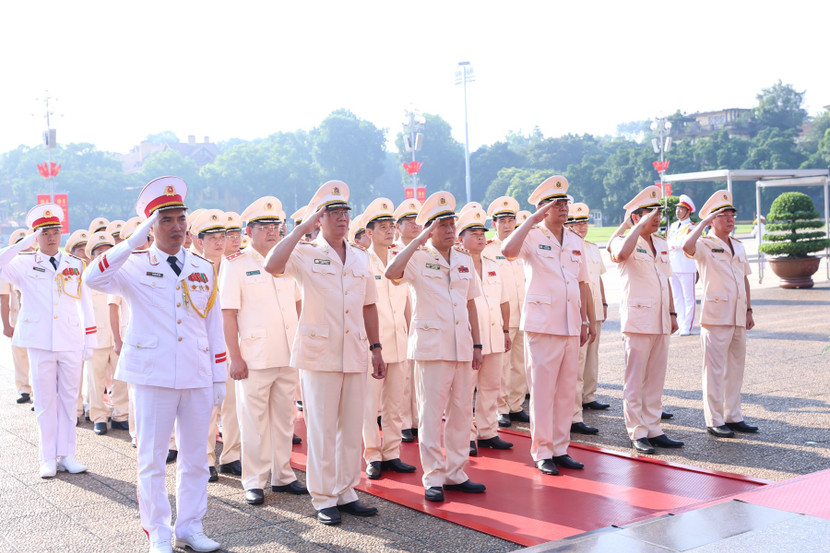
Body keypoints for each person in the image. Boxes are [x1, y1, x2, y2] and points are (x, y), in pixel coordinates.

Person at [84, 176, 227, 553]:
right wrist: (130, 243)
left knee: (196, 457)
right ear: (152, 225)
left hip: (196, 373)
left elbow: (213, 326)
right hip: (153, 374)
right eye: (167, 220)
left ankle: (190, 527)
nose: (177, 227)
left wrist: (218, 376)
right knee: (152, 459)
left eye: (181, 219)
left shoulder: (203, 266)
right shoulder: (131, 265)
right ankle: (158, 531)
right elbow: (92, 278)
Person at [264, 180, 385, 526]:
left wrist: (376, 348)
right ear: (320, 218)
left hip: (355, 351)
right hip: (320, 353)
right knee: (321, 427)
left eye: (345, 211)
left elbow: (370, 305)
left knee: (351, 426)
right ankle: (323, 496)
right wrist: (302, 227)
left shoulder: (361, 256)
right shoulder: (304, 252)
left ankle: (347, 491)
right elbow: (273, 265)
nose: (342, 218)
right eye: (332, 212)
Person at [385, 191, 486, 503]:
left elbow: (471, 303)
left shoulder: (463, 258)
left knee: (460, 413)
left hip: (461, 346)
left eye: (451, 223)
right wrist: (417, 241)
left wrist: (478, 344)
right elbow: (392, 273)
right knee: (431, 415)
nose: (449, 229)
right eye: (441, 224)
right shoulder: (416, 258)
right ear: (429, 229)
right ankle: (433, 476)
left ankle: (456, 472)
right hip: (432, 347)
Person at [501, 176, 593, 476]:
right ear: (542, 209)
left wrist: (584, 320)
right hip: (542, 324)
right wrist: (530, 222)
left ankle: (560, 447)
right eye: (556, 204)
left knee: (567, 390)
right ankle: (542, 450)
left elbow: (581, 283)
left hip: (569, 323)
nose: (564, 208)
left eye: (565, 202)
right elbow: (508, 250)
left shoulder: (575, 240)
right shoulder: (531, 235)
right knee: (542, 390)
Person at [220, 196, 308, 506]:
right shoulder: (236, 264)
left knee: (284, 418)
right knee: (253, 421)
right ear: (249, 230)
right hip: (254, 357)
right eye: (265, 226)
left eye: (276, 226)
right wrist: (235, 357)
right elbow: (228, 313)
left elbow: (298, 303)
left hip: (287, 352)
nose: (272, 232)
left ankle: (283, 475)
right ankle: (254, 480)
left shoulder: (288, 260)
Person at [0, 204, 96, 478]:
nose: (52, 237)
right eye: (45, 233)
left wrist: (90, 339)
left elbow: (86, 305)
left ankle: (67, 454)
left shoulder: (75, 264)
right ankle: (47, 457)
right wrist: (24, 243)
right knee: (44, 401)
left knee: (69, 399)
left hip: (70, 339)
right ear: (37, 236)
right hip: (40, 340)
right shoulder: (23, 262)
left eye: (55, 232)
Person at [610, 185, 684, 455]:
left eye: (658, 213)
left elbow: (667, 279)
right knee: (635, 377)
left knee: (655, 377)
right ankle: (637, 431)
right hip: (638, 319)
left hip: (661, 319)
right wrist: (636, 225)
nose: (656, 218)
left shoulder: (662, 243)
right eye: (649, 213)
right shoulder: (624, 240)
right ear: (635, 217)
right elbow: (619, 255)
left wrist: (673, 313)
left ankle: (654, 427)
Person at [682, 190, 757, 438]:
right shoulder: (704, 244)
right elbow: (686, 246)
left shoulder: (738, 245)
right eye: (723, 215)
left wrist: (748, 309)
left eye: (731, 214)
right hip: (716, 316)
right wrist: (702, 224)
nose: (729, 219)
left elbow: (744, 279)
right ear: (712, 220)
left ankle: (732, 415)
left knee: (736, 368)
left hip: (737, 315)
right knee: (713, 371)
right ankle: (714, 419)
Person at [360, 198, 417, 480]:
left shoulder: (400, 258)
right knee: (370, 405)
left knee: (396, 403)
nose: (389, 232)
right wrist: (370, 345)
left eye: (391, 226)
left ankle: (392, 453)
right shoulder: (360, 260)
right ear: (369, 233)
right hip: (374, 345)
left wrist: (409, 333)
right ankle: (372, 454)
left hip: (399, 340)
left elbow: (406, 302)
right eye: (382, 227)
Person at [457, 206, 513, 456]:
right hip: (469, 337)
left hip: (493, 335)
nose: (480, 237)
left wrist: (505, 330)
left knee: (492, 386)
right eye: (473, 233)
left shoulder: (493, 264)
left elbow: (503, 301)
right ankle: (466, 435)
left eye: (482, 233)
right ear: (461, 238)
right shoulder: (456, 265)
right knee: (465, 389)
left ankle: (488, 431)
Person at [191, 209, 241, 482]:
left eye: (222, 236)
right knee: (207, 406)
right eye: (212, 238)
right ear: (199, 241)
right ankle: (206, 458)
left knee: (233, 404)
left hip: (232, 344)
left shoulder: (235, 265)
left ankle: (231, 455)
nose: (220, 242)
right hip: (204, 347)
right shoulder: (192, 268)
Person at [483, 196, 529, 428]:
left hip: (523, 313)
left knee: (519, 363)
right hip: (501, 317)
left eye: (511, 220)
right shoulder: (489, 250)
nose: (508, 225)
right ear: (494, 224)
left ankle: (516, 404)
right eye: (502, 221)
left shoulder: (521, 247)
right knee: (502, 365)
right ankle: (501, 408)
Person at [565, 203, 609, 435]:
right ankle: (574, 407)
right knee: (577, 361)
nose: (581, 228)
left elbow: (597, 279)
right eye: (576, 223)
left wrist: (603, 303)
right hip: (577, 309)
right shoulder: (569, 247)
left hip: (595, 308)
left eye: (584, 223)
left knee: (592, 356)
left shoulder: (591, 248)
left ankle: (588, 396)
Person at [83, 231, 129, 435]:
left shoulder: (123, 274)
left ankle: (120, 415)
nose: (103, 256)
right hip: (96, 338)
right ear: (91, 257)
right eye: (99, 252)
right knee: (96, 379)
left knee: (121, 379)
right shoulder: (86, 277)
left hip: (119, 335)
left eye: (107, 252)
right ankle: (99, 417)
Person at [392, 198, 422, 443]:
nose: (414, 226)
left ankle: (417, 420)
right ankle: (404, 423)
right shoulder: (393, 252)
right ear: (398, 226)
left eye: (417, 222)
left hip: (422, 322)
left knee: (419, 378)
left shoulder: (426, 251)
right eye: (409, 222)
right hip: (400, 323)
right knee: (403, 379)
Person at [1, 229, 33, 404]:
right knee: (20, 356)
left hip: (36, 320)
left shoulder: (37, 265)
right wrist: (6, 324)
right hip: (17, 319)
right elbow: (4, 299)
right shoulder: (9, 269)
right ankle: (23, 389)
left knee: (36, 356)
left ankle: (37, 391)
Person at [668, 194, 698, 335]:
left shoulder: (691, 227)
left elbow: (682, 244)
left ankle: (687, 325)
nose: (678, 211)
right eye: (677, 209)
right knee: (677, 297)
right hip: (673, 266)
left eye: (681, 209)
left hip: (686, 266)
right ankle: (679, 323)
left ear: (688, 211)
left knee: (689, 298)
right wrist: (673, 245)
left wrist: (673, 245)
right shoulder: (673, 226)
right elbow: (668, 243)